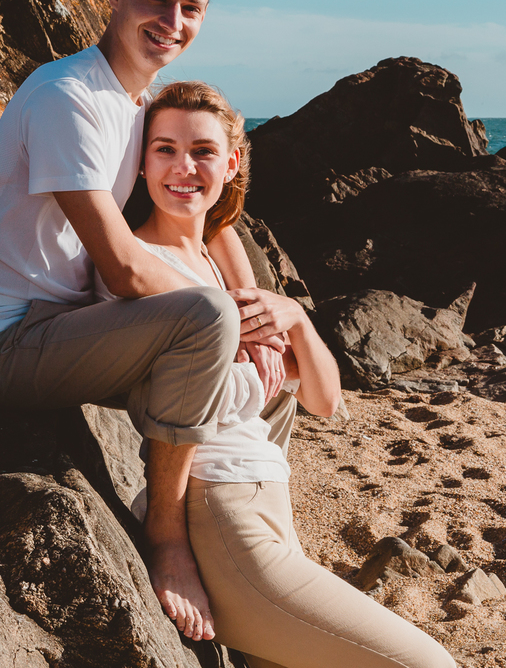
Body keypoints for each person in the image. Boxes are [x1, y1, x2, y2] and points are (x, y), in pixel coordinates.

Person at [0, 0, 286, 642]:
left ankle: (255, 528)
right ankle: (169, 538)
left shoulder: (136, 103)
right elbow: (121, 266)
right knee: (210, 322)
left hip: (68, 328)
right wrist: (229, 315)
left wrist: (257, 312)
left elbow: (211, 212)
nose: (172, 21)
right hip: (4, 341)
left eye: (191, 9)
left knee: (269, 365)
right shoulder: (67, 97)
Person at [104, 80, 456, 668]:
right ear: (141, 164)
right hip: (218, 511)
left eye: (203, 151)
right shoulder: (139, 268)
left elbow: (324, 400)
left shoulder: (215, 261)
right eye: (164, 149)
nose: (183, 167)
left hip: (270, 502)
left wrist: (294, 316)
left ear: (231, 163)